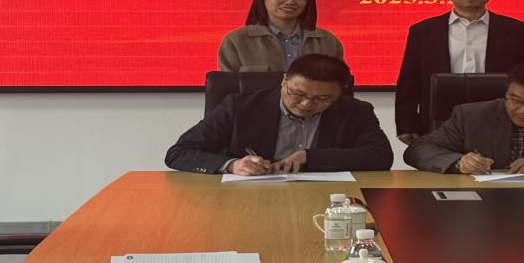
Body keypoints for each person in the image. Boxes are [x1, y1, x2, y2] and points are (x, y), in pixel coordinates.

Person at [166, 54, 392, 174]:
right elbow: (179, 153)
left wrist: (309, 157)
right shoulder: (240, 107)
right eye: (298, 93)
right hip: (249, 200)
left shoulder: (355, 111)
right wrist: (232, 165)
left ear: (340, 92)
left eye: (323, 99)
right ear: (284, 81)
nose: (306, 104)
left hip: (328, 200)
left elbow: (380, 156)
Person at [394, 0, 524, 143]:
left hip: (502, 116)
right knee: (441, 160)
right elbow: (409, 81)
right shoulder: (424, 31)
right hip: (440, 117)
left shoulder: (517, 30)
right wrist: (406, 124)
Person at [218, 0, 344, 72]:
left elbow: (341, 84)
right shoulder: (237, 40)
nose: (290, 2)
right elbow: (227, 89)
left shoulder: (327, 41)